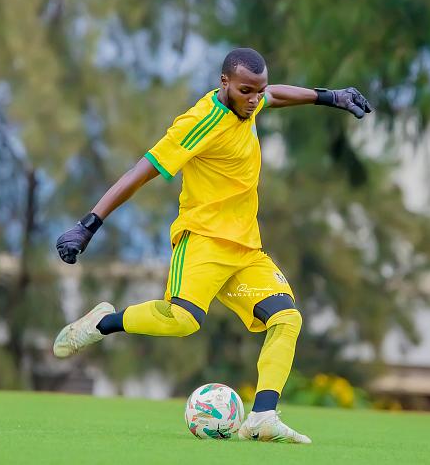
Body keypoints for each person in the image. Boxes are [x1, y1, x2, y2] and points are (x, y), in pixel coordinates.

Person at [53, 47, 372, 444]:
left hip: (246, 250)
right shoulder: (199, 121)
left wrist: (330, 96)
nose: (254, 99)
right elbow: (140, 172)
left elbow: (275, 95)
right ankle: (102, 323)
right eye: (245, 91)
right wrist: (88, 225)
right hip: (202, 241)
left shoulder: (250, 102)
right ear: (224, 83)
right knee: (182, 320)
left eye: (258, 91)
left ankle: (263, 417)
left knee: (287, 319)